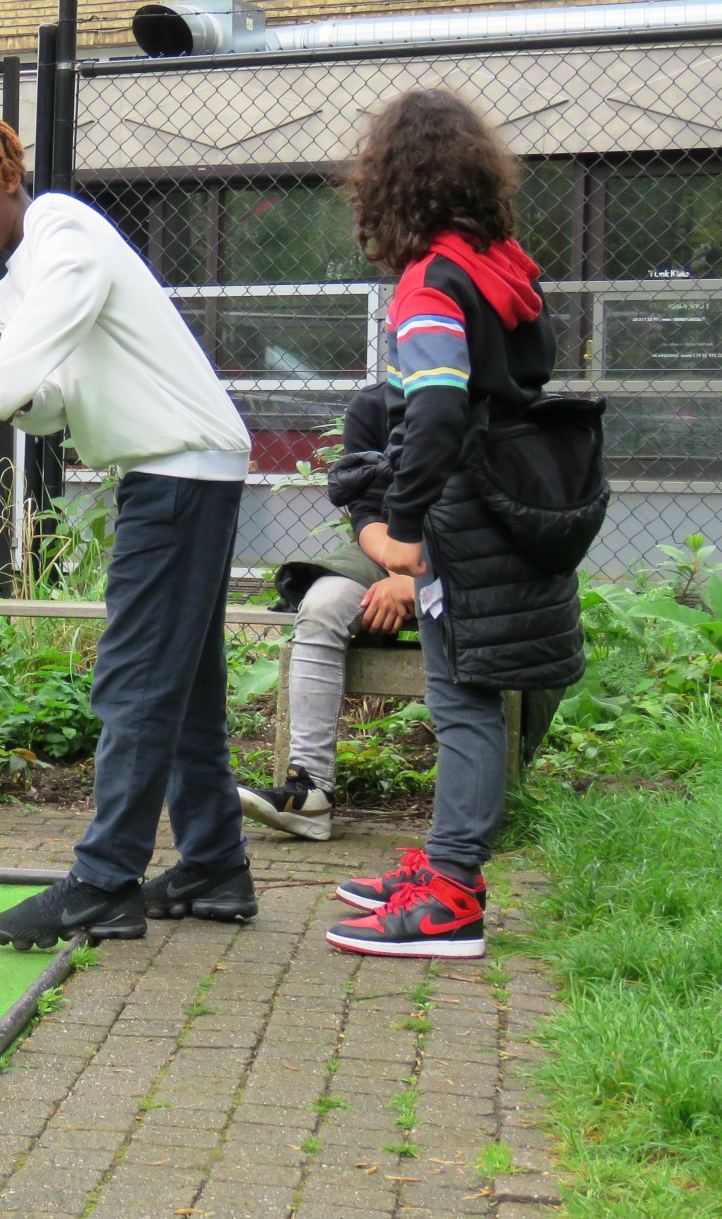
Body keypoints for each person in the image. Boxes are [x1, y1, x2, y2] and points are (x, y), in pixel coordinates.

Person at [0, 113, 257, 948]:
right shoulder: (12, 287)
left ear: (4, 178)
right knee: (185, 690)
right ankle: (214, 865)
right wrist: (14, 398)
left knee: (133, 679)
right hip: (171, 471)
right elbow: (57, 396)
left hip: (179, 472)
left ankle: (104, 882)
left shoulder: (65, 228)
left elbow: (57, 312)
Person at [324, 88, 588, 959]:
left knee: (462, 704)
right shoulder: (504, 263)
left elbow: (435, 411)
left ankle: (451, 898)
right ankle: (444, 864)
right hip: (514, 500)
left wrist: (402, 524)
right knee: (468, 698)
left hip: (463, 520)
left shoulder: (430, 279)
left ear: (390, 183)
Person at [236, 381, 415, 841]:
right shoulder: (374, 406)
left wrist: (417, 583)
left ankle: (471, 805)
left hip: (478, 559)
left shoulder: (488, 399)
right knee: (322, 603)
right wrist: (397, 571)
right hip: (393, 551)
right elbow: (367, 512)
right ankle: (309, 793)